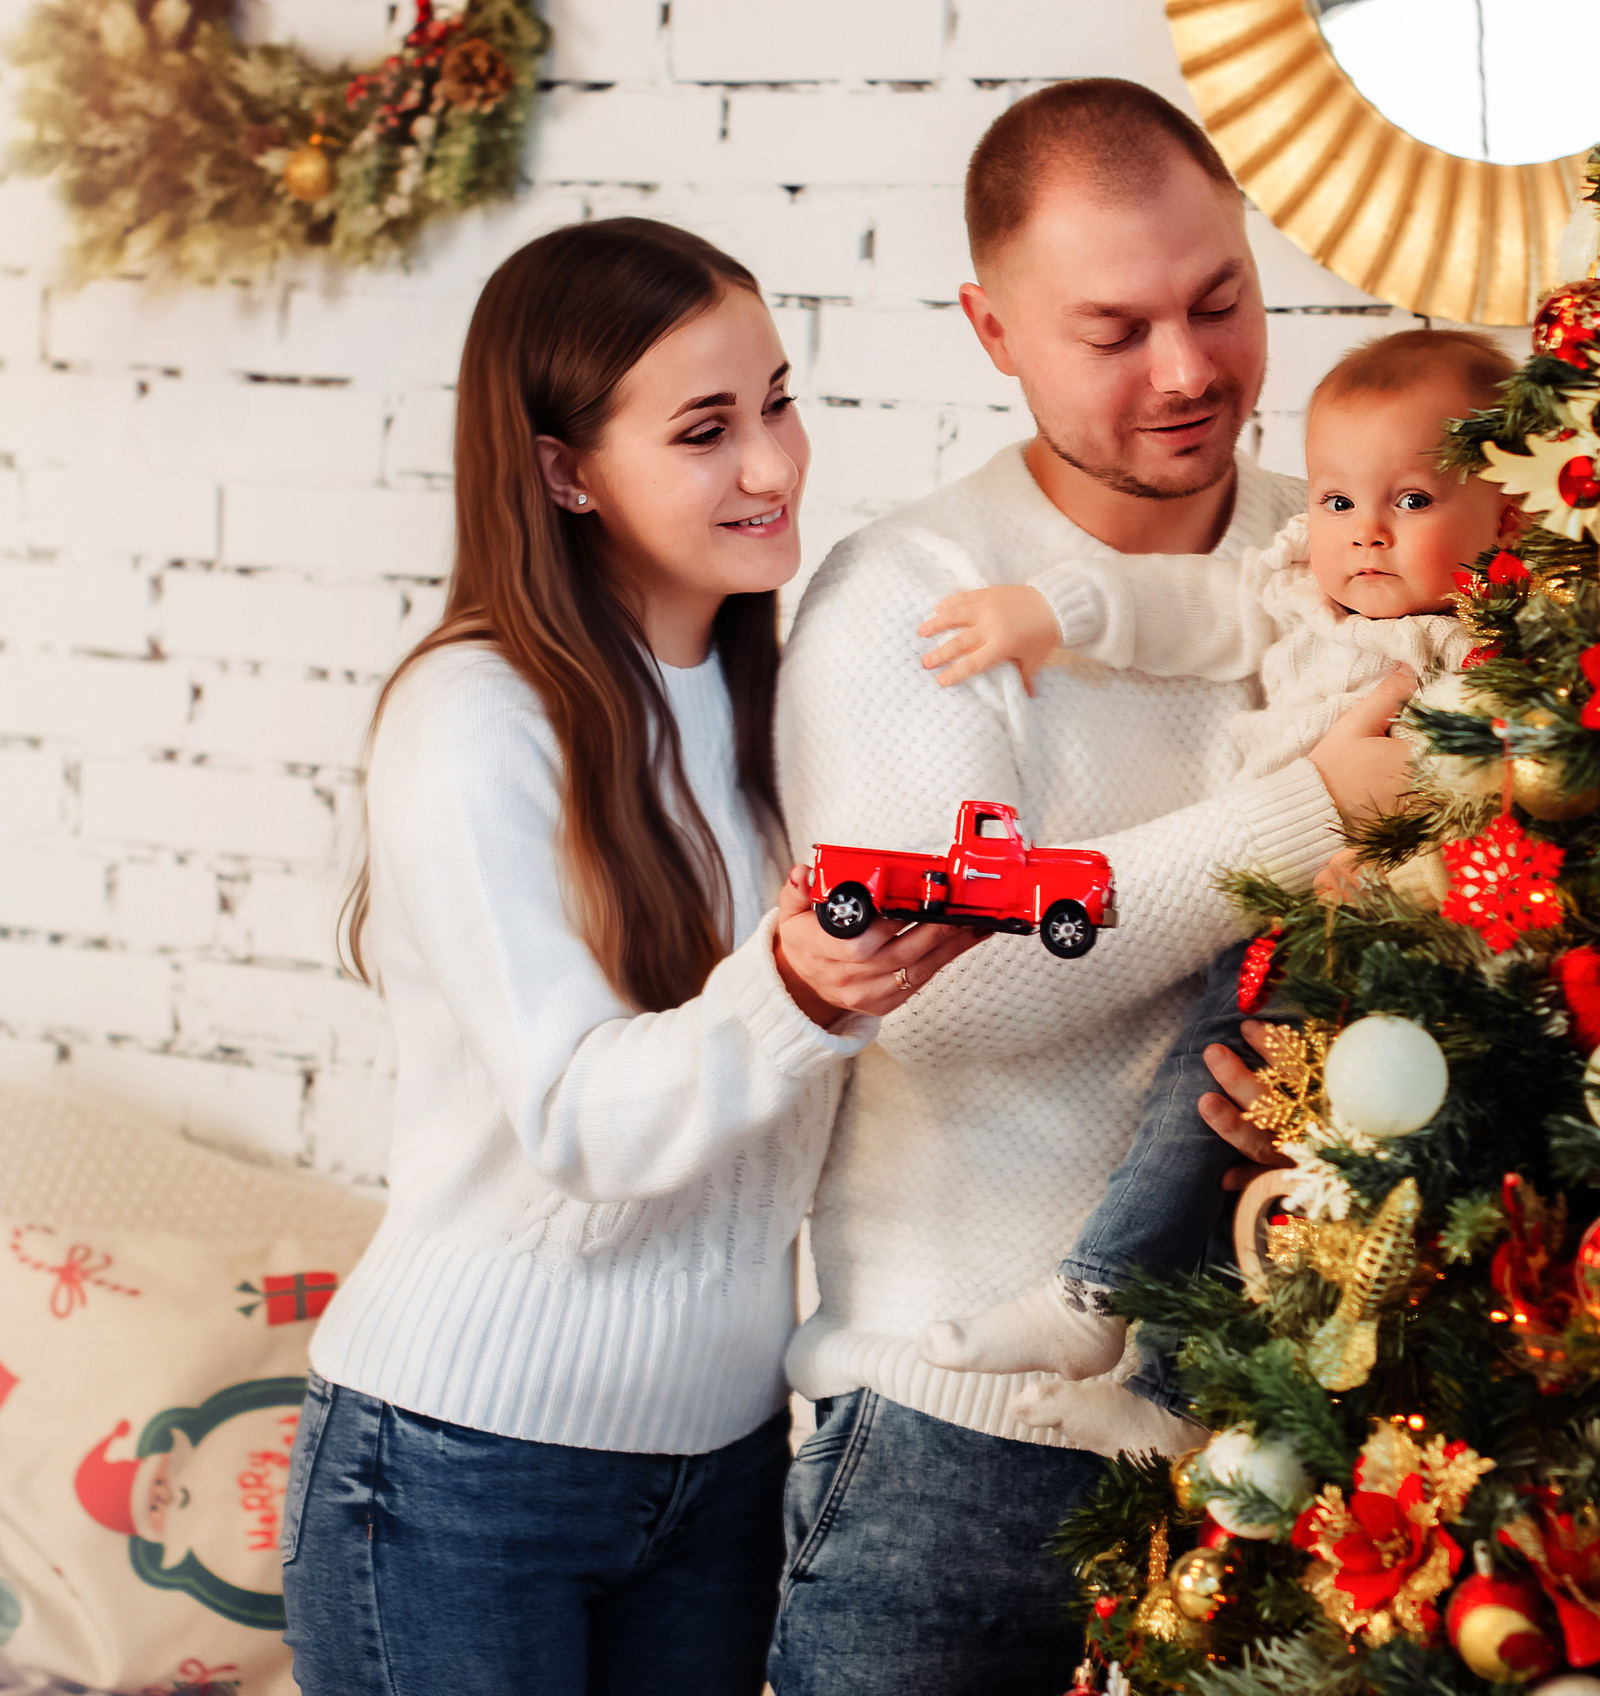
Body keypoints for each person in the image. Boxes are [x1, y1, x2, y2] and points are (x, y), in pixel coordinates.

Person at [767, 81, 1420, 1695]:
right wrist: (1309, 804)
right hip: (956, 1449)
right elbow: (955, 988)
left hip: (1270, 1452)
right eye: (1115, 330)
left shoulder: (1344, 558)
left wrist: (1348, 1105)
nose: (1190, 370)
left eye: (1219, 301)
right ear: (993, 330)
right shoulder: (914, 599)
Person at [280, 218, 983, 1696]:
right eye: (706, 430)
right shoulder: (475, 720)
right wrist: (796, 992)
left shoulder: (773, 708)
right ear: (563, 469)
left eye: (778, 402)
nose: (776, 466)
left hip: (722, 1463)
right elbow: (579, 1117)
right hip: (457, 1477)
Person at [912, 329, 1520, 1390]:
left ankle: (1104, 1313)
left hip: (1405, 955)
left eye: (1411, 501)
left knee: (1316, 1183)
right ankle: (1126, 1342)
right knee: (1207, 1119)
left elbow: (1497, 805)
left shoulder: (1483, 656)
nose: (1364, 533)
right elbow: (1176, 607)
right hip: (1275, 923)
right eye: (1336, 501)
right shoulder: (1294, 592)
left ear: (1505, 513)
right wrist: (1054, 611)